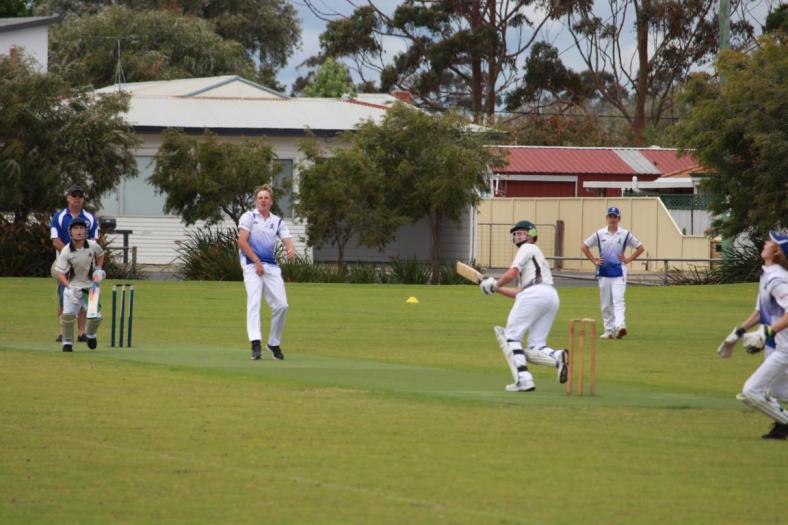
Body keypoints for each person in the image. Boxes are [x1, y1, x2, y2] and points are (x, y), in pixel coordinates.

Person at [480, 221, 568, 392]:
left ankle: (524, 380)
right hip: (550, 296)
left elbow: (512, 273)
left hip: (535, 294)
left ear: (532, 234)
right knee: (536, 346)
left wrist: (496, 284)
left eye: (522, 232)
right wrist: (496, 289)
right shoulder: (536, 257)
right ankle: (557, 357)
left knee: (510, 337)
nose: (518, 236)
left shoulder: (527, 248)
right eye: (516, 234)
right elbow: (520, 293)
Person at [717, 230, 788, 440]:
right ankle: (781, 427)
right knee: (776, 391)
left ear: (776, 252)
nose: (766, 242)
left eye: (770, 242)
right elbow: (760, 312)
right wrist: (737, 334)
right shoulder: (767, 274)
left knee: (751, 392)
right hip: (774, 345)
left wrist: (768, 331)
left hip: (783, 347)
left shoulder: (777, 280)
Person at [237, 184, 295, 361]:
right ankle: (255, 343)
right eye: (260, 198)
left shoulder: (277, 221)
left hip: (270, 265)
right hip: (251, 264)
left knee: (282, 305)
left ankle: (273, 342)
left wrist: (290, 250)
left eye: (266, 198)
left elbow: (287, 239)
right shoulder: (249, 217)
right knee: (254, 302)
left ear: (271, 201)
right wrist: (256, 261)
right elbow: (241, 241)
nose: (263, 200)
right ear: (256, 201)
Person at [581, 206, 645, 339]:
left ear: (619, 219)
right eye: (610, 216)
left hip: (619, 272)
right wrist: (594, 261)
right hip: (604, 272)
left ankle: (620, 326)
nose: (612, 219)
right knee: (606, 303)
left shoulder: (625, 234)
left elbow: (640, 248)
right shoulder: (599, 234)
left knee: (618, 300)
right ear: (607, 218)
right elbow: (584, 246)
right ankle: (608, 331)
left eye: (615, 217)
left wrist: (628, 259)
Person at [50, 184, 100, 343]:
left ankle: (82, 332)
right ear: (68, 198)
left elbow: (94, 241)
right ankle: (64, 331)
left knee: (85, 298)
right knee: (64, 297)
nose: (77, 199)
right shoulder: (59, 216)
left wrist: (85, 257)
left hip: (85, 265)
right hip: (64, 264)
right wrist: (70, 253)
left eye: (80, 196)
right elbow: (55, 240)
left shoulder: (90, 218)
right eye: (74, 195)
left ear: (83, 199)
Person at [53, 218, 105, 352]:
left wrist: (98, 269)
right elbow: (60, 273)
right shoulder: (66, 250)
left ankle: (91, 334)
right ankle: (67, 342)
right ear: (71, 232)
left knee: (95, 317)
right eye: (76, 229)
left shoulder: (92, 245)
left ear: (85, 231)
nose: (79, 231)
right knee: (68, 316)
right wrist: (67, 286)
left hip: (91, 287)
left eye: (82, 228)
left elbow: (101, 255)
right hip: (73, 287)